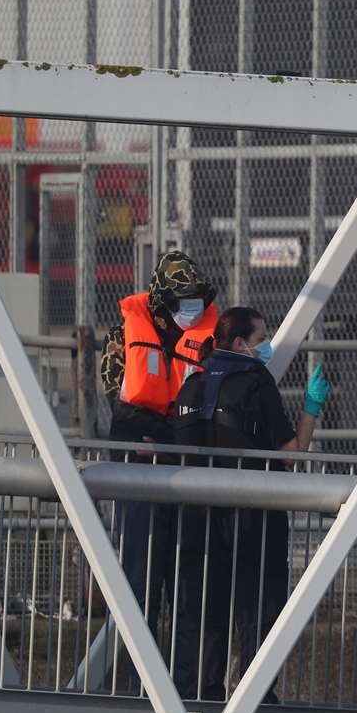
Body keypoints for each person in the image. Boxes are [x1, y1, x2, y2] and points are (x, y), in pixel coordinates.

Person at [169, 306, 331, 701]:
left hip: (197, 515)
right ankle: (254, 693)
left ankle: (200, 692)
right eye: (261, 339)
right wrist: (311, 408)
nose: (267, 346)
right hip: (254, 514)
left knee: (207, 604)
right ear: (240, 344)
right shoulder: (256, 383)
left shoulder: (192, 385)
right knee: (261, 599)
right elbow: (292, 453)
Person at [99, 250, 219, 645]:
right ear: (160, 301)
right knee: (139, 591)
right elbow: (123, 410)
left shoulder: (207, 343)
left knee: (191, 595)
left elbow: (215, 412)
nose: (191, 309)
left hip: (191, 485)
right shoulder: (122, 339)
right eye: (181, 301)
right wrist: (177, 435)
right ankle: (140, 691)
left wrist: (167, 440)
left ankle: (186, 689)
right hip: (140, 485)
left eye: (195, 300)